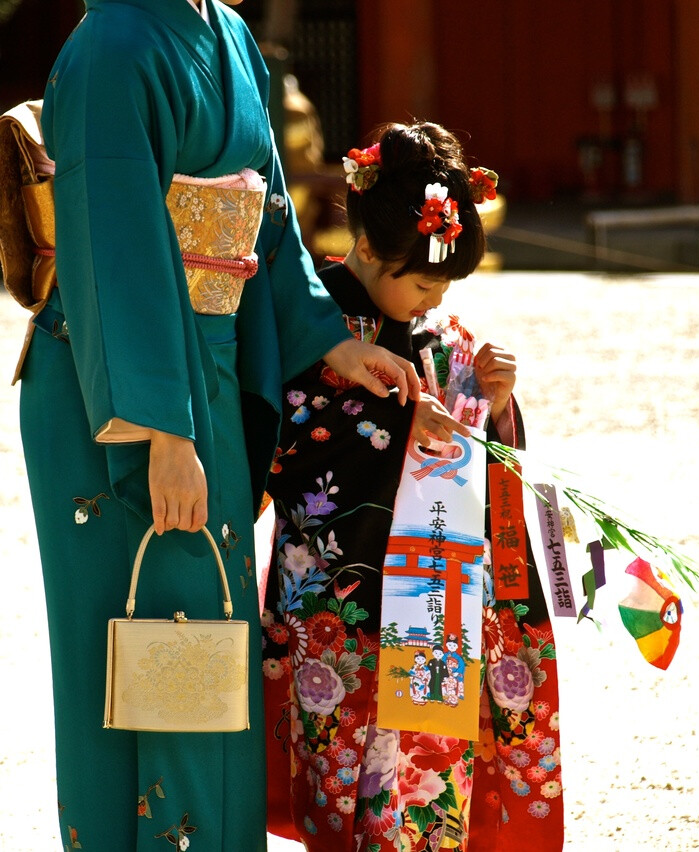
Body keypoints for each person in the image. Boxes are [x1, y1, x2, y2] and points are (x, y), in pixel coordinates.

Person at [0, 2, 420, 850]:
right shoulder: (112, 46)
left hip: (208, 368)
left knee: (205, 647)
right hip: (115, 393)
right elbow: (112, 243)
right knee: (131, 651)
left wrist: (334, 345)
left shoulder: (224, 31)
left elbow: (266, 218)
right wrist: (165, 432)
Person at [262, 122, 564, 850]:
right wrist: (395, 424)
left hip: (438, 605)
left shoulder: (441, 333)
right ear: (366, 249)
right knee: (343, 794)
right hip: (349, 603)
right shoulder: (314, 320)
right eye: (423, 280)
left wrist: (495, 401)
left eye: (444, 285)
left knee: (429, 790)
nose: (433, 297)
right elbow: (286, 438)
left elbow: (484, 453)